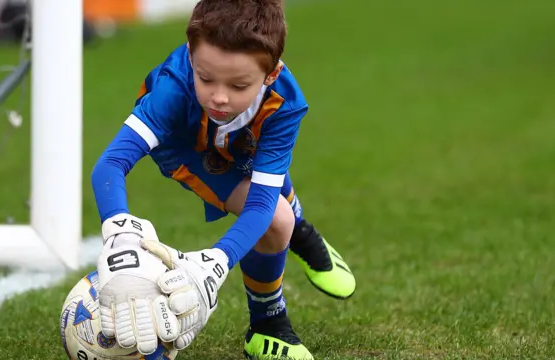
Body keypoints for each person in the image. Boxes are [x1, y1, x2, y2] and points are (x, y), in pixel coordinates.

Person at [91, 0, 356, 358]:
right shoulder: (174, 88)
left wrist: (216, 262)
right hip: (186, 146)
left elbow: (262, 196)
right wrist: (118, 230)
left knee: (268, 180)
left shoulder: (284, 103)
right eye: (205, 77)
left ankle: (301, 238)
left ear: (271, 74)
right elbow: (110, 164)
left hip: (248, 136)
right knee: (278, 218)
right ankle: (269, 325)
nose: (218, 96)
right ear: (190, 53)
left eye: (238, 84)